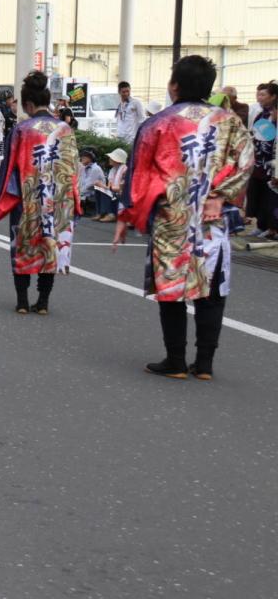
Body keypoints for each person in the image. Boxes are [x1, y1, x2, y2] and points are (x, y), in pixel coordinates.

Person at [114, 56, 254, 380]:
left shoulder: (158, 123)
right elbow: (246, 162)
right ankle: (204, 364)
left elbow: (139, 174)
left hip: (171, 218)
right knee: (213, 289)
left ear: (174, 85)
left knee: (172, 287)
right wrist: (220, 195)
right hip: (212, 220)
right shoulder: (229, 121)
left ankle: (175, 360)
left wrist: (126, 214)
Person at [0, 71, 80, 315]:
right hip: (58, 198)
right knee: (49, 246)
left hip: (28, 198)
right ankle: (43, 302)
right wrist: (75, 199)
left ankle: (21, 301)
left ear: (28, 103)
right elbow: (73, 168)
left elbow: (8, 167)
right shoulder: (65, 129)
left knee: (23, 246)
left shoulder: (22, 130)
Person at [244, 81, 277, 238]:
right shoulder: (260, 113)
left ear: (273, 96)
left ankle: (270, 227)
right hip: (258, 160)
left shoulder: (275, 115)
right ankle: (260, 224)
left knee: (268, 196)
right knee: (255, 193)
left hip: (271, 162)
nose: (259, 97)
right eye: (258, 94)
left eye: (263, 94)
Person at [92, 147, 128, 222]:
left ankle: (111, 214)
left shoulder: (125, 169)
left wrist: (102, 186)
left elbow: (122, 189)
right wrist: (101, 186)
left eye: (111, 158)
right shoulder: (112, 170)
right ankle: (100, 213)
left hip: (121, 195)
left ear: (117, 160)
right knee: (98, 189)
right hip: (115, 192)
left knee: (104, 190)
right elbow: (109, 186)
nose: (109, 159)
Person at [77, 148, 106, 217]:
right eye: (82, 156)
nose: (82, 158)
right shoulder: (84, 168)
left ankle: (83, 209)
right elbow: (81, 181)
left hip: (96, 192)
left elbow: (90, 184)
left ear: (91, 158)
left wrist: (78, 192)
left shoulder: (95, 169)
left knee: (80, 193)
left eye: (84, 157)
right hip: (86, 191)